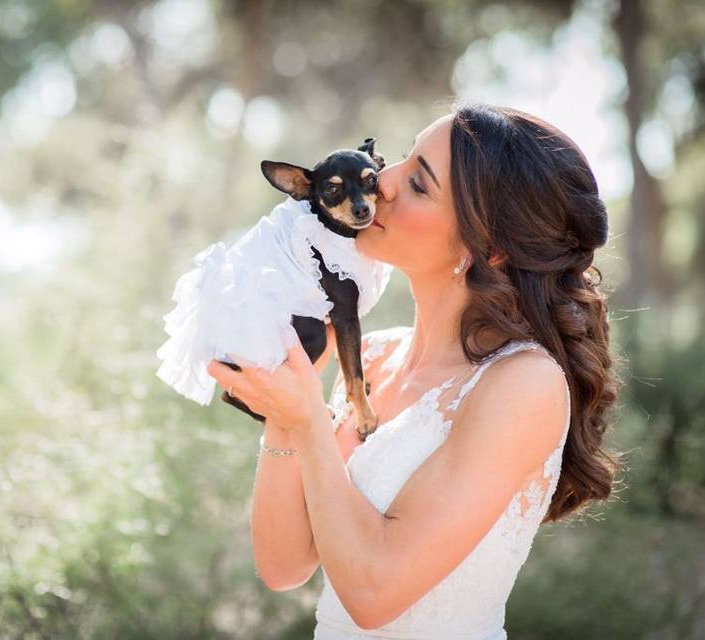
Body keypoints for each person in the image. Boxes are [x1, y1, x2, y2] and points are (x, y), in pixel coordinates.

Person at [206, 102, 621, 639]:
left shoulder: (523, 383)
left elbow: (373, 594)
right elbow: (285, 566)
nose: (383, 183)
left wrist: (310, 421)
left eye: (419, 185)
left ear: (490, 248)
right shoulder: (374, 356)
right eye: (402, 159)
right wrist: (286, 414)